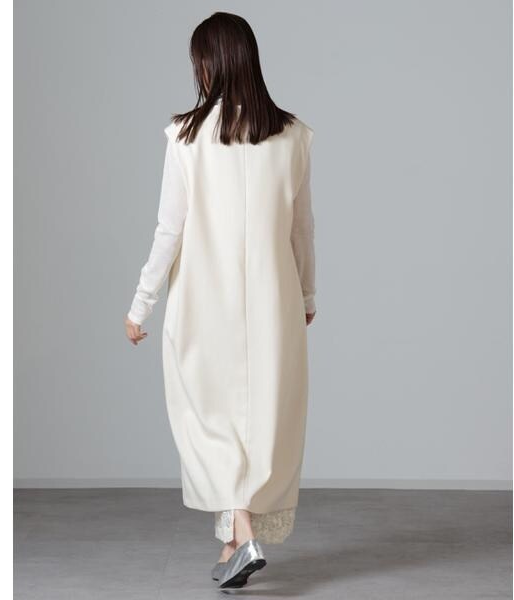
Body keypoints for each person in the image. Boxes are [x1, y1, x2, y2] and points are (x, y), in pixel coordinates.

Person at [125, 12, 316, 589]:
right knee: (260, 419)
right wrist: (308, 291)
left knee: (207, 416)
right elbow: (302, 229)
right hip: (274, 299)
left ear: (207, 64)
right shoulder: (293, 136)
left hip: (204, 299)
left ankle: (240, 532)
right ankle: (235, 544)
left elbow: (170, 229)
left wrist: (141, 304)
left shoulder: (186, 136)